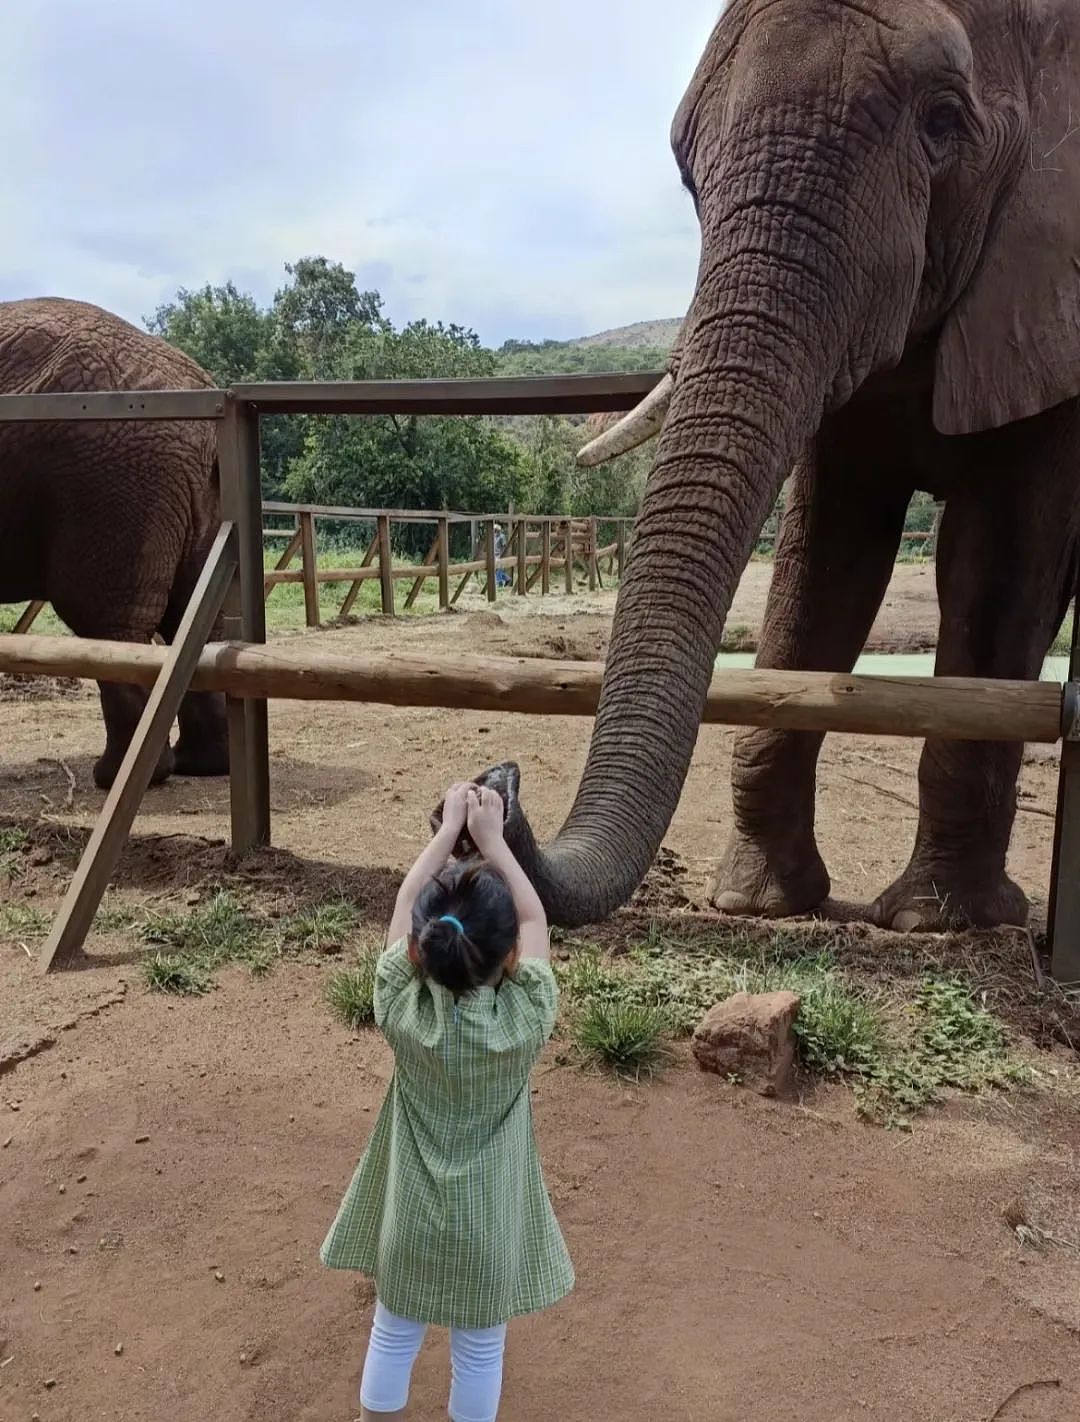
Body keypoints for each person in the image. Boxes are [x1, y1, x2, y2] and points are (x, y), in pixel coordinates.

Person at [321, 782, 574, 1422]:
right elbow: (535, 918)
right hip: (490, 1228)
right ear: (511, 957)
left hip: (406, 1222)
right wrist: (494, 841)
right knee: (481, 1354)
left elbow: (408, 900)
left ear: (416, 950)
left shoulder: (401, 1013)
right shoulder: (523, 1023)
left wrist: (445, 835)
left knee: (393, 1333)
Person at [492, 522, 510, 588]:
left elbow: (504, 546)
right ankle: (507, 579)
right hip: (494, 555)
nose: (494, 531)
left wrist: (503, 555)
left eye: (495, 529)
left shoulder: (502, 536)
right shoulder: (494, 536)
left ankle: (499, 583)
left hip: (499, 555)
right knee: (497, 569)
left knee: (498, 569)